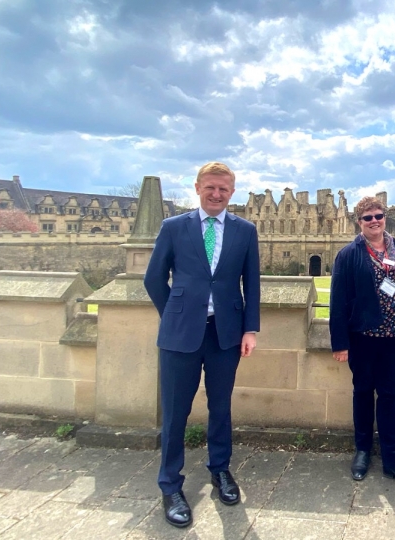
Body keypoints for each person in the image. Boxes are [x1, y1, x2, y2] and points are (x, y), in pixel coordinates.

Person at [144, 161, 260, 528]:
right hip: (181, 334)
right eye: (210, 187)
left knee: (221, 407)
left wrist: (250, 329)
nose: (216, 194)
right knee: (176, 412)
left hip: (225, 333)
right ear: (197, 187)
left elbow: (252, 283)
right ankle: (170, 485)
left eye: (223, 189)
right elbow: (153, 278)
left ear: (232, 192)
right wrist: (175, 314)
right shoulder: (174, 227)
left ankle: (220, 471)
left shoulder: (245, 231)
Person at [329, 196, 395, 489]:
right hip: (363, 336)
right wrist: (340, 343)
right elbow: (338, 302)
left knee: (389, 396)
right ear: (358, 222)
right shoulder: (349, 254)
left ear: (385, 218)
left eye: (378, 215)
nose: (374, 221)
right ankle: (362, 451)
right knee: (362, 392)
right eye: (367, 217)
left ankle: (393, 460)